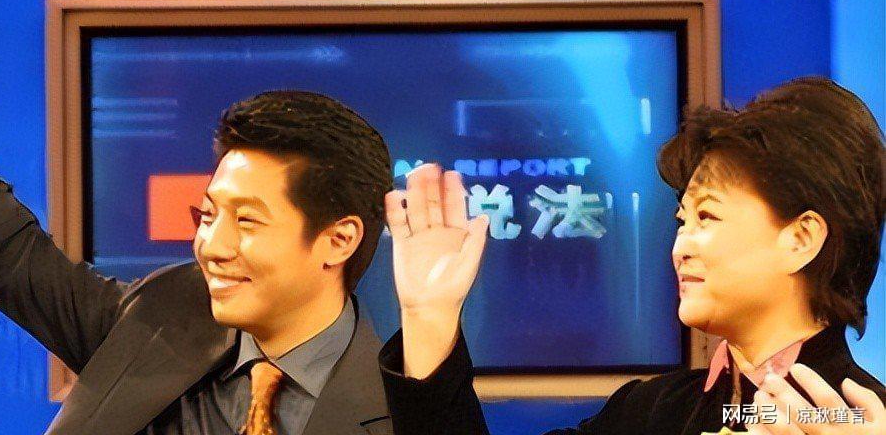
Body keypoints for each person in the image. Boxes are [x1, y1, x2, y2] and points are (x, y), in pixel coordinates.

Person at [0, 0, 397, 434]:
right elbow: (7, 252)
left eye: (247, 221)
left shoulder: (404, 406)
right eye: (208, 215)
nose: (212, 246)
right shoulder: (163, 317)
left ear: (338, 240)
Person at [378, 77, 886, 435]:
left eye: (707, 217)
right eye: (682, 221)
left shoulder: (864, 419)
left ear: (801, 239)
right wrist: (429, 317)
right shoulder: (650, 412)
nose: (680, 247)